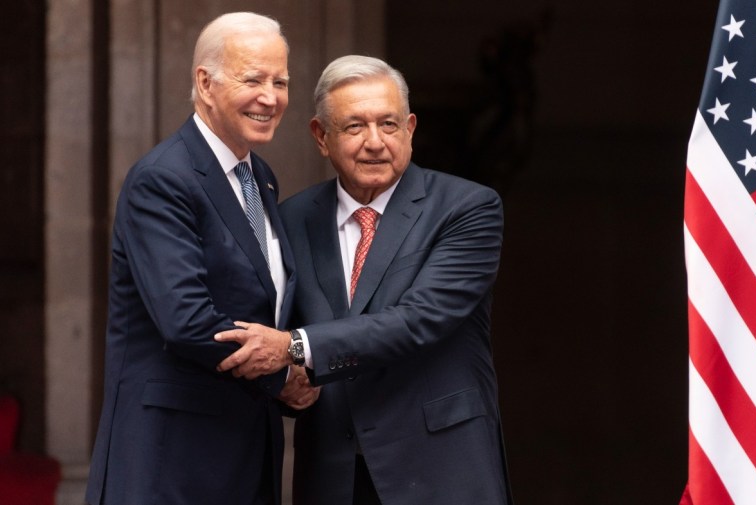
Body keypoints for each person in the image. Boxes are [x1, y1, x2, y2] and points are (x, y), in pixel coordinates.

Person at [216, 55, 513, 505]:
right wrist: (284, 384)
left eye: (389, 125)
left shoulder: (466, 208)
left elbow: (419, 320)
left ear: (410, 128)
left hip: (439, 469)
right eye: (355, 127)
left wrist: (293, 346)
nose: (375, 143)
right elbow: (271, 329)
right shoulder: (290, 219)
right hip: (331, 473)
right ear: (321, 136)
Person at [85, 12, 317, 505]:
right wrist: (282, 374)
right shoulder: (164, 179)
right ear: (205, 83)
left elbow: (263, 301)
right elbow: (186, 321)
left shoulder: (261, 178)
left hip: (245, 454)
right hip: (173, 462)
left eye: (280, 81)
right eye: (252, 78)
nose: (270, 97)